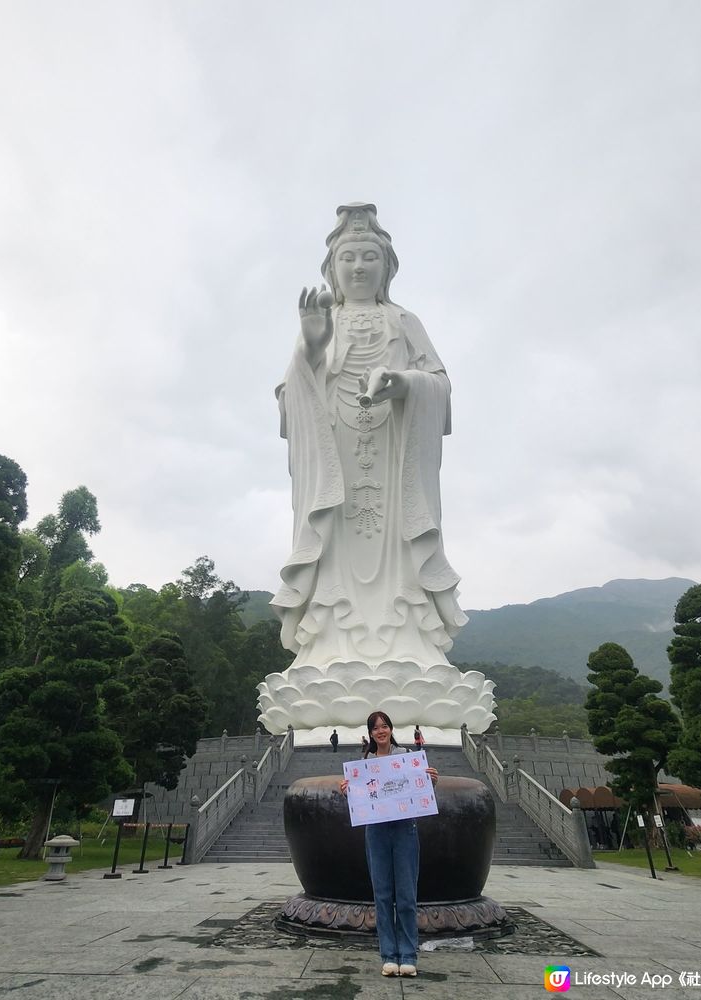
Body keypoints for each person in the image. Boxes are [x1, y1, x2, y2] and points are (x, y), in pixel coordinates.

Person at [271, 203, 467, 671]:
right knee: (334, 543)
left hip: (394, 462)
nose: (359, 266)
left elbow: (440, 388)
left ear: (386, 267)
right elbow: (287, 406)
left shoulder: (404, 322)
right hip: (334, 463)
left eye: (369, 257)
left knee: (398, 548)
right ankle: (327, 648)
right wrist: (312, 352)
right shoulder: (322, 323)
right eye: (349, 258)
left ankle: (411, 647)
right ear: (333, 269)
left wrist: (403, 385)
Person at [339, 710, 438, 978]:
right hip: (377, 830)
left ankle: (408, 954)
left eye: (384, 726)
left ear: (391, 729)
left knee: (406, 894)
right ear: (370, 733)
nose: (381, 731)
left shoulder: (407, 756)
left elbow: (418, 788)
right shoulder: (365, 762)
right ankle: (388, 955)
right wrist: (350, 789)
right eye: (375, 728)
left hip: (405, 828)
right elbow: (361, 794)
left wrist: (429, 779)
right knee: (382, 895)